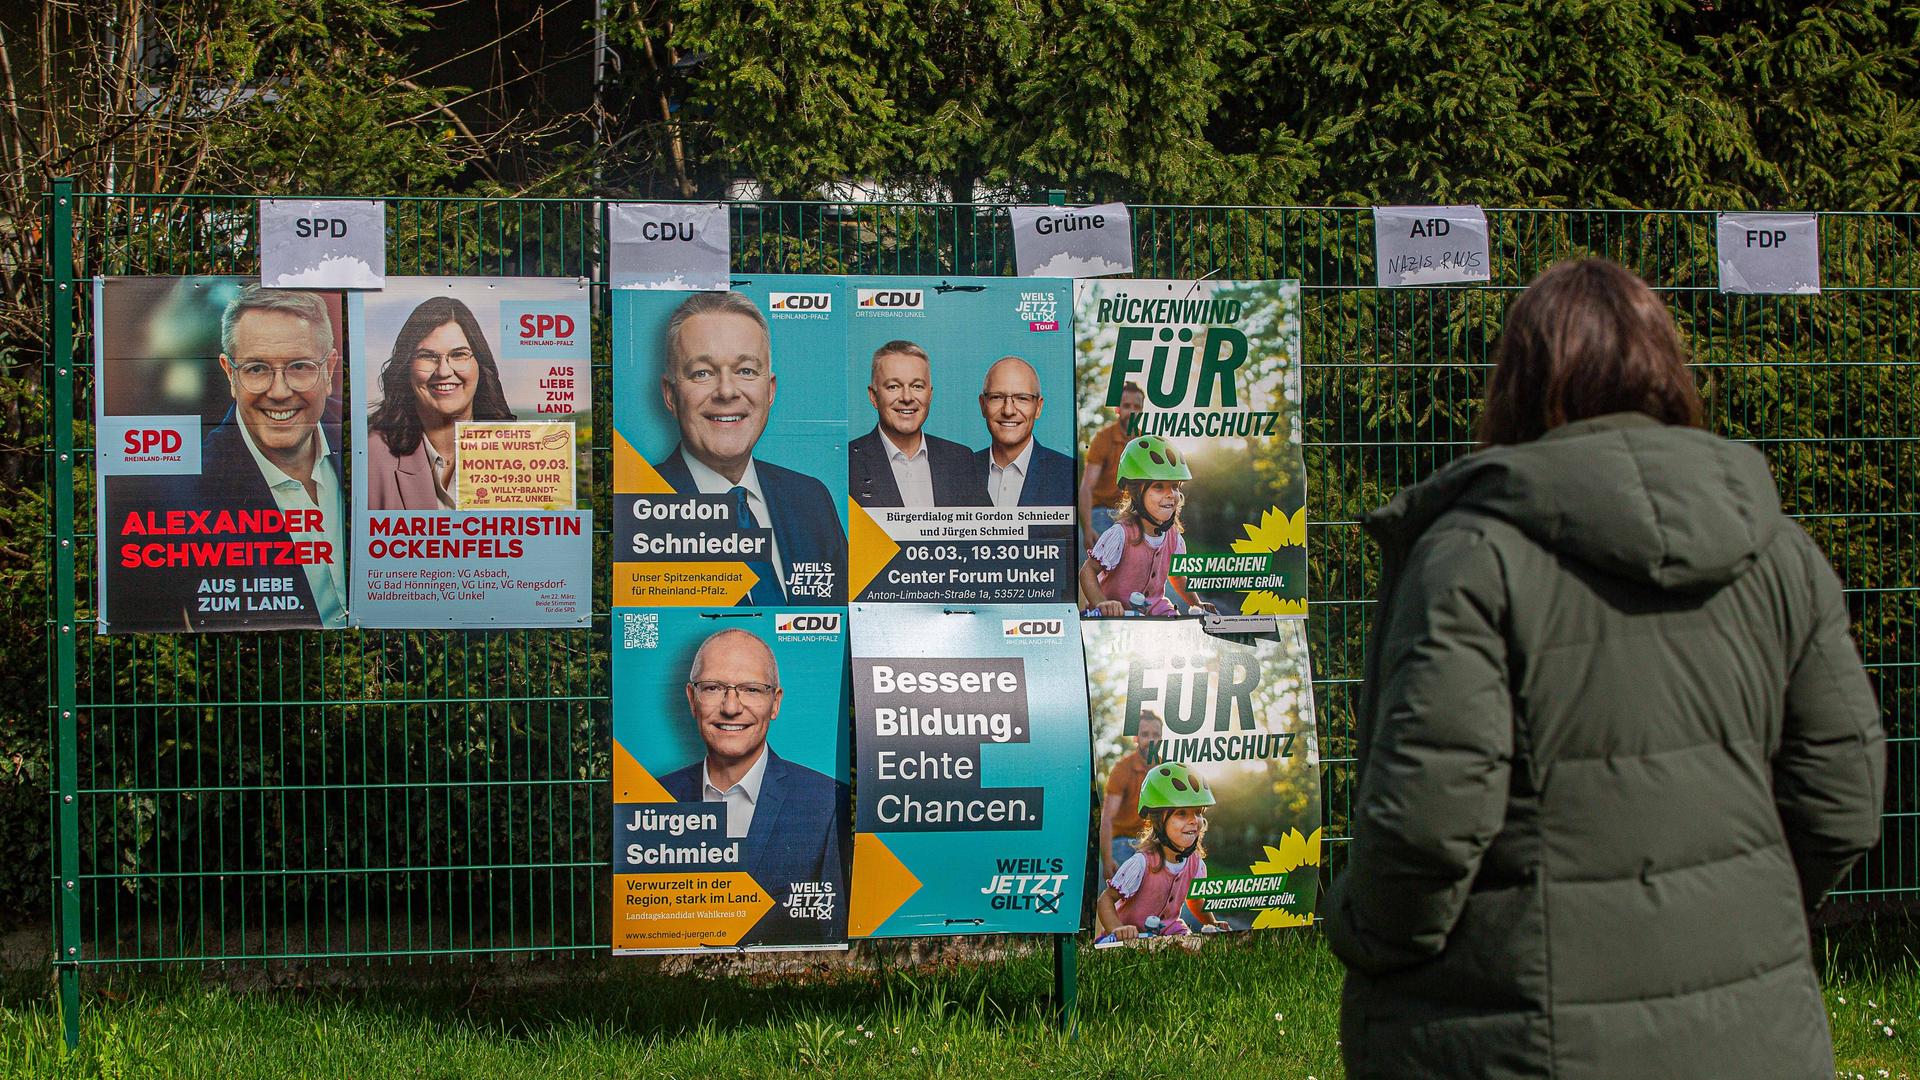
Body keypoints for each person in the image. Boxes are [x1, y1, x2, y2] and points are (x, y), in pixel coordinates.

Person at [1322, 258, 1886, 1080]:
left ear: (1514, 383)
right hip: (1753, 1032)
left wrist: (1362, 930)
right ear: (1668, 372)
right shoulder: (1783, 553)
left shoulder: (1472, 557)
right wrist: (1728, 906)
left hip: (1517, 1037)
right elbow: (1845, 797)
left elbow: (1425, 826)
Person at [168, 285, 347, 630]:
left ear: (329, 370)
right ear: (229, 374)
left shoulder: (372, 439)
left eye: (299, 366)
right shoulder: (189, 491)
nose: (279, 391)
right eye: (256, 369)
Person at [657, 628, 850, 946]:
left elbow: (831, 932)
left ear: (775, 703)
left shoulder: (825, 802)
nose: (731, 707)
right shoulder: (655, 797)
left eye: (751, 690)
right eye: (713, 687)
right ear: (692, 700)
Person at [655, 290, 845, 604]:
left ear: (769, 391)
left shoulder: (811, 500)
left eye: (745, 371)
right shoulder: (643, 503)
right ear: (671, 395)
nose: (727, 391)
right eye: (702, 373)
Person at [364, 297, 516, 511]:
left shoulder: (519, 451)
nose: (444, 371)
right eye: (427, 356)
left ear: (480, 364)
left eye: (459, 355)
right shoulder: (371, 454)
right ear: (406, 366)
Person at [1078, 434, 1208, 617]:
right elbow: (1088, 571)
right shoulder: (1121, 534)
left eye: (1174, 487)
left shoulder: (1174, 537)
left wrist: (1198, 604)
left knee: (1176, 626)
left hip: (1155, 609)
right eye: (1159, 487)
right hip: (1116, 614)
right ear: (1136, 492)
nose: (1170, 494)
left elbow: (1177, 576)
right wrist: (1102, 603)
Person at [848, 341, 989, 508]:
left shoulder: (961, 459)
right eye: (893, 386)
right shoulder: (850, 461)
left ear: (930, 394)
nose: (907, 397)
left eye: (917, 386)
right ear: (873, 396)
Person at [1095, 762, 1223, 942]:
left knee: (1195, 948)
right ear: (1158, 821)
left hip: (1170, 931)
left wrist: (1213, 923)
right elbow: (1105, 900)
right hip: (1131, 934)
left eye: (1198, 812)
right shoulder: (1141, 863)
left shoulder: (1196, 864)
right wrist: (1118, 929)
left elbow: (1195, 900)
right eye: (1181, 813)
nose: (1194, 820)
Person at [972, 355, 1073, 508]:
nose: (1008, 410)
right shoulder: (959, 472)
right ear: (983, 405)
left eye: (1022, 398)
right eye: (997, 397)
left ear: (1038, 407)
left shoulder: (1068, 474)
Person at [1079, 381, 1145, 551]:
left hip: (1134, 513)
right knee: (1102, 560)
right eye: (1126, 405)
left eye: (1136, 406)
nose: (1131, 411)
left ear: (1142, 410)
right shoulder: (1103, 438)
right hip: (1104, 511)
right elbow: (1086, 487)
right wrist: (1087, 529)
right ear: (1117, 409)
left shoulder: (1146, 442)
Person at [1098, 709, 1164, 882]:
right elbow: (1107, 818)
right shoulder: (1122, 769)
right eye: (1145, 734)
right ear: (1135, 738)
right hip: (1124, 842)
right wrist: (1106, 860)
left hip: (1153, 843)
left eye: (1156, 734)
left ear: (1162, 738)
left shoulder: (1166, 769)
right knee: (1122, 895)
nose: (1150, 740)